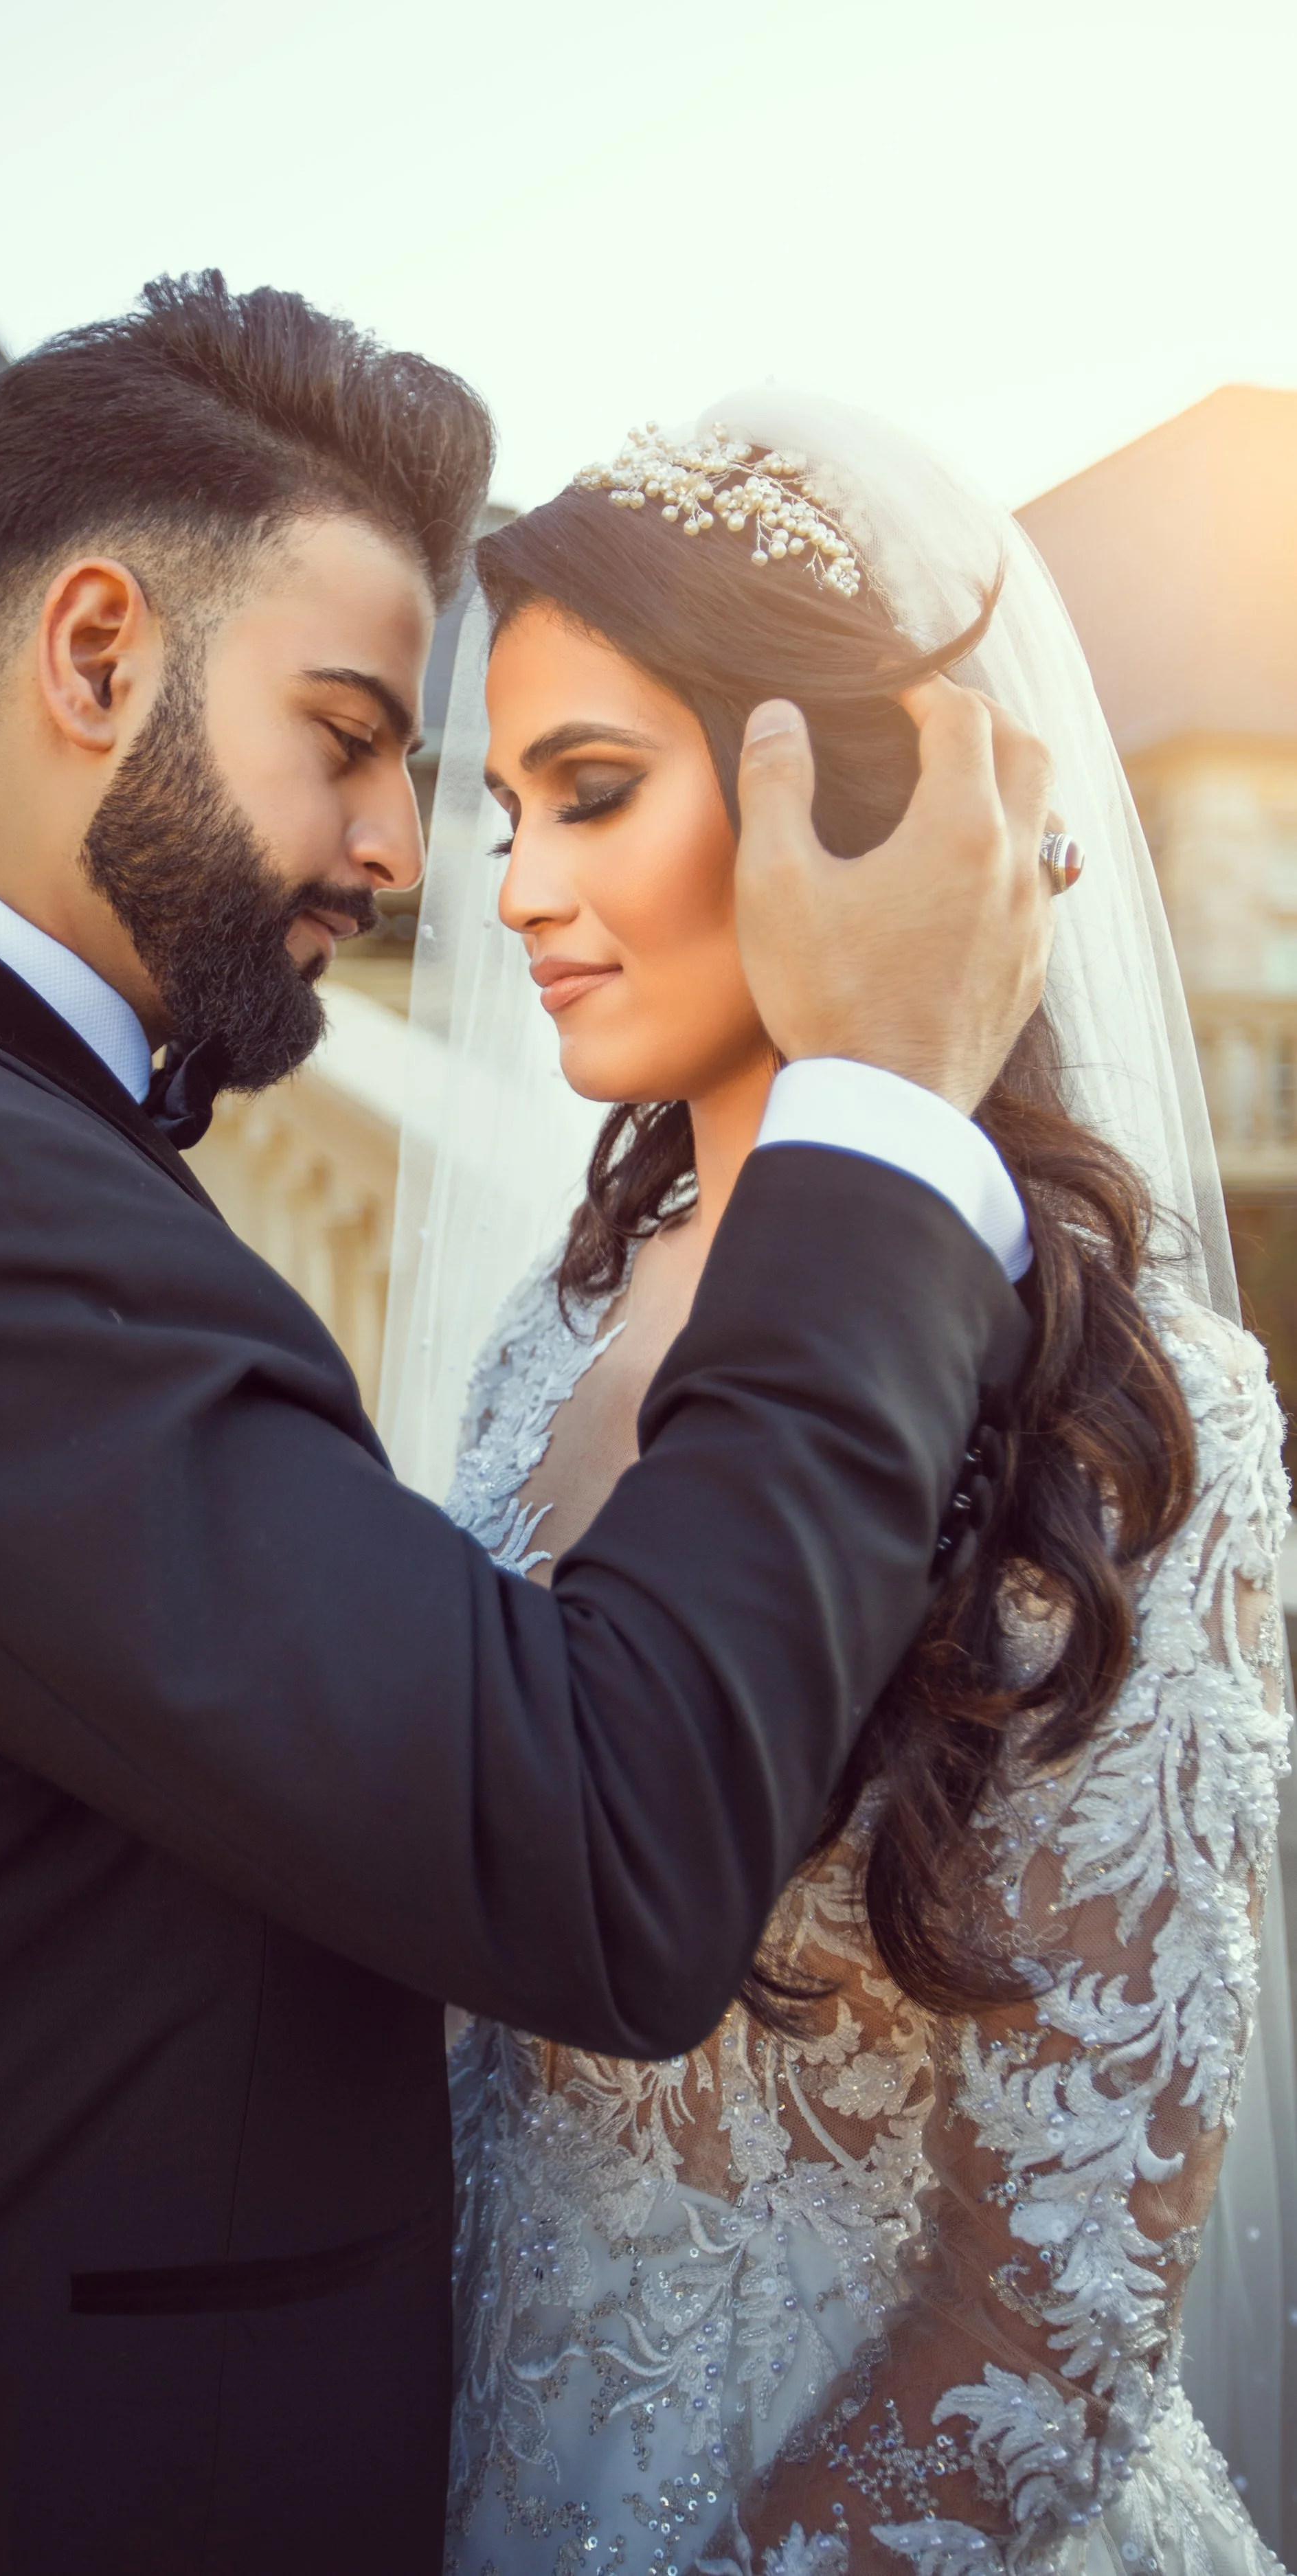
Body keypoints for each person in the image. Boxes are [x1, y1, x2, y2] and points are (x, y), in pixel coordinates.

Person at [0, 288, 1051, 2576]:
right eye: (353, 738)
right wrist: (872, 1130)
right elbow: (597, 1848)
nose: (402, 855)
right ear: (94, 655)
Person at [405, 395, 1297, 2576]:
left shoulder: (1127, 1411)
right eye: (504, 805)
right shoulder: (547, 1324)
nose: (516, 889)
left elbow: (1048, 2315)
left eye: (593, 794)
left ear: (846, 796)